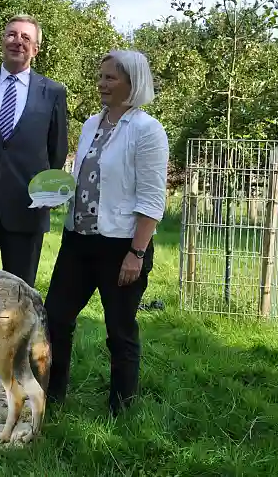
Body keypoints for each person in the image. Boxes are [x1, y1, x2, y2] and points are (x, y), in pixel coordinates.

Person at [43, 49, 169, 416]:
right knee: (55, 318)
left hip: (121, 246)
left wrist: (137, 252)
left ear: (133, 82)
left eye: (110, 77)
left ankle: (121, 410)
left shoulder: (147, 130)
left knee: (120, 329)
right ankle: (51, 397)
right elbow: (86, 180)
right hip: (77, 240)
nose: (101, 83)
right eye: (101, 76)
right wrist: (52, 195)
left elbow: (152, 198)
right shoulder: (90, 125)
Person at [0, 14, 68, 287]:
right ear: (2, 41)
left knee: (20, 295)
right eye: (11, 34)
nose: (17, 41)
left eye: (25, 37)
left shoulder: (53, 92)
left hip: (27, 212)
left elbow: (57, 150)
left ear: (35, 49)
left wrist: (45, 194)